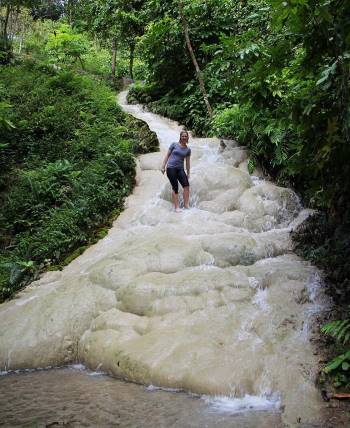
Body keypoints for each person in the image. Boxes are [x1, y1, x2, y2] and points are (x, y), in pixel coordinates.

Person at [161, 130, 191, 212]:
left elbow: (187, 163)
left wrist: (188, 173)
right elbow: (167, 155)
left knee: (186, 186)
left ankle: (186, 205)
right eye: (183, 136)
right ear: (180, 137)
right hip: (171, 168)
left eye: (185, 136)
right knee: (175, 186)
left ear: (187, 137)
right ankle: (177, 207)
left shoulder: (188, 150)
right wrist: (163, 166)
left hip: (180, 169)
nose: (184, 137)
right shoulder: (174, 145)